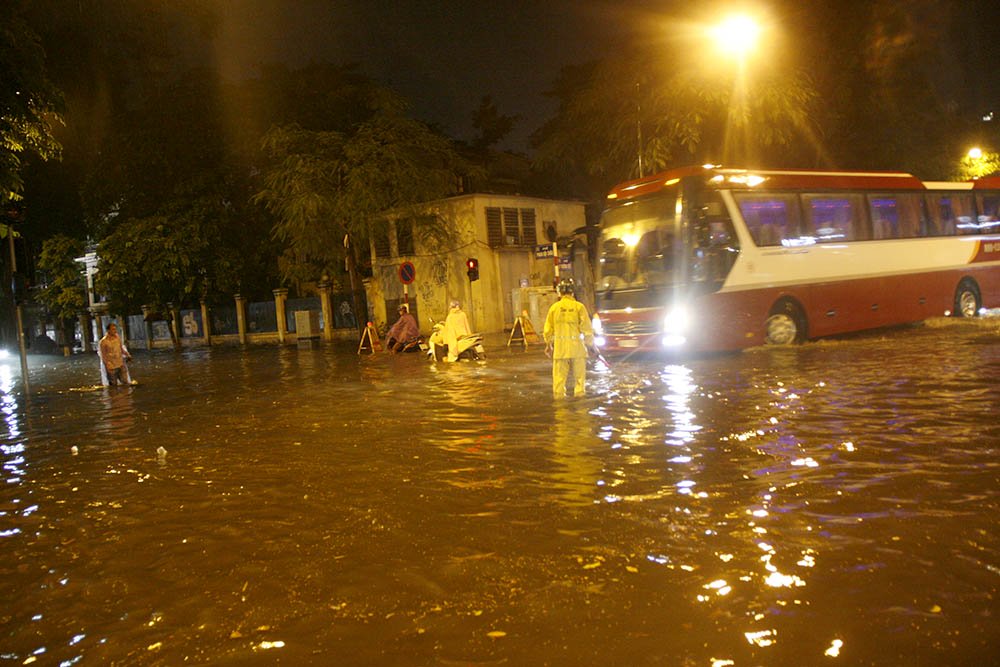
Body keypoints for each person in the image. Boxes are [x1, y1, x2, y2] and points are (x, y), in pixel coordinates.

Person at [543, 278, 594, 397]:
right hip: (577, 349)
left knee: (558, 383)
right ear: (573, 292)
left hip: (560, 350)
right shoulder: (579, 307)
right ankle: (581, 408)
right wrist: (591, 346)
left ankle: (560, 410)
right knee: (580, 381)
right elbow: (587, 329)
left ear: (559, 292)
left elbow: (547, 330)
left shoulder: (554, 308)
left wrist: (548, 345)